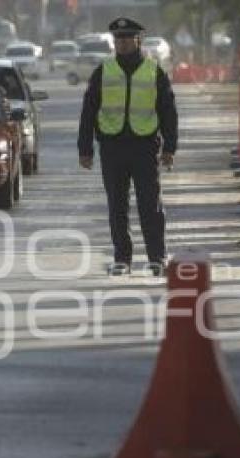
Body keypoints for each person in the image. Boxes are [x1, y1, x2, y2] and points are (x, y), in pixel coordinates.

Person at [78, 17, 178, 277]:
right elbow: (89, 110)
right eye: (118, 39)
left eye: (126, 38)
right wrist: (85, 148)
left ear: (138, 40)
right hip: (112, 148)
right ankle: (122, 259)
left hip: (144, 147)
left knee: (150, 205)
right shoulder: (103, 71)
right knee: (117, 206)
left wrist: (170, 147)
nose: (121, 43)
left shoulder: (154, 71)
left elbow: (168, 111)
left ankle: (157, 257)